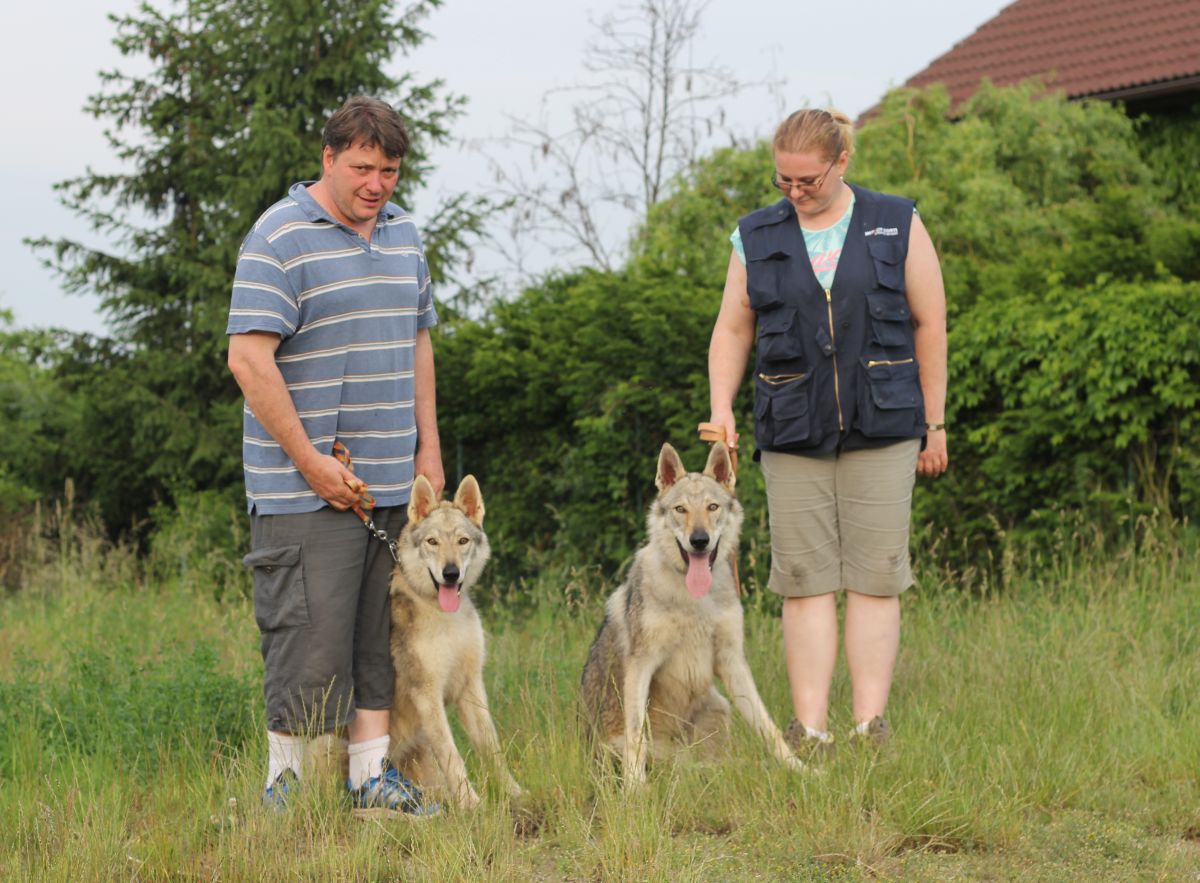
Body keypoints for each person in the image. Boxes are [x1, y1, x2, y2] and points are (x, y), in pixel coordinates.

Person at [226, 96, 444, 816]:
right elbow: (249, 360)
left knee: (376, 641)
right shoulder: (278, 236)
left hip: (387, 482)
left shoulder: (406, 234)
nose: (376, 184)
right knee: (304, 638)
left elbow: (418, 343)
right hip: (302, 489)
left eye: (389, 169)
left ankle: (369, 779)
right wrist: (310, 460)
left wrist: (429, 452)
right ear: (328, 159)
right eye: (361, 168)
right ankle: (281, 790)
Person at [707, 108, 948, 756]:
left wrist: (934, 421)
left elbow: (931, 321)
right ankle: (809, 731)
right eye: (783, 179)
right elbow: (733, 328)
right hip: (791, 429)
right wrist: (721, 407)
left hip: (886, 423)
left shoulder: (897, 221)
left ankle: (870, 728)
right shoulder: (753, 236)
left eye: (807, 179)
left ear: (842, 162)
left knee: (875, 576)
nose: (793, 190)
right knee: (805, 578)